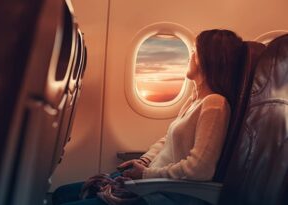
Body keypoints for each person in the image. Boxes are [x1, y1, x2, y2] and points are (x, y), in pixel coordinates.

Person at [52, 29, 246, 205]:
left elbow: (200, 170)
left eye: (194, 50)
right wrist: (145, 161)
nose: (190, 56)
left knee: (64, 198)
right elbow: (167, 140)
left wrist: (145, 174)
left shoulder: (215, 104)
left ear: (208, 58)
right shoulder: (195, 100)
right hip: (153, 182)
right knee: (61, 193)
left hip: (166, 194)